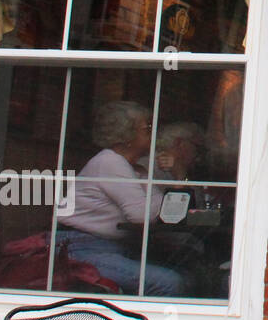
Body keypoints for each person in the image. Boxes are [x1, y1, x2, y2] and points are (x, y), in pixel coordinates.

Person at [55, 100, 184, 296]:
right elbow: (143, 215)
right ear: (126, 135)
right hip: (82, 249)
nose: (153, 132)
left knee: (186, 272)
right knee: (169, 283)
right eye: (147, 128)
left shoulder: (135, 168)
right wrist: (172, 190)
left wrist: (178, 174)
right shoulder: (109, 161)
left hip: (111, 247)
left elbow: (166, 210)